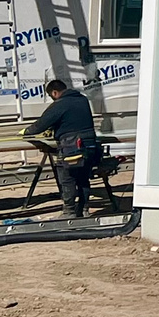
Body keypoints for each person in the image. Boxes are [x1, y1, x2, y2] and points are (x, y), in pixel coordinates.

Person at [24, 79, 101, 218]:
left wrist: (26, 131)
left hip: (72, 146)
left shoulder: (59, 104)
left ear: (54, 92)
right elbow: (72, 119)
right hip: (89, 144)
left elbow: (41, 124)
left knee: (67, 178)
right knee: (83, 178)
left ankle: (69, 212)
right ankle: (84, 210)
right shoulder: (82, 100)